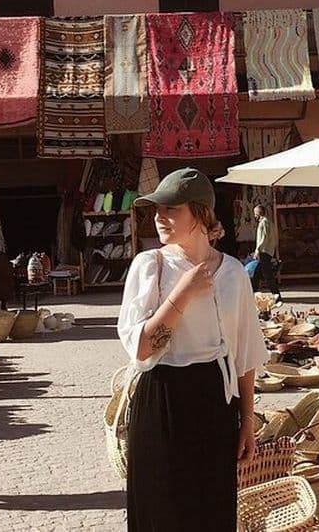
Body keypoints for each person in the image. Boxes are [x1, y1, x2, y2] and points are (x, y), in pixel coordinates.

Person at [118, 168, 267, 531]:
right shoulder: (149, 265)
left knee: (211, 511)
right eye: (157, 209)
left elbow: (245, 354)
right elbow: (139, 349)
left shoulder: (233, 272)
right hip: (161, 399)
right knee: (162, 510)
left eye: (172, 209)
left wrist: (246, 421)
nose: (159, 217)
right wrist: (182, 292)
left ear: (201, 212)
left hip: (216, 402)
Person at [254, 204, 280, 301]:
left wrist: (258, 249)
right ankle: (253, 293)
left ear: (258, 213)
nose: (254, 216)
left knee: (267, 275)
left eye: (255, 213)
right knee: (257, 273)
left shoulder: (264, 223)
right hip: (268, 251)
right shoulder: (269, 222)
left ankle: (276, 295)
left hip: (264, 251)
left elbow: (263, 238)